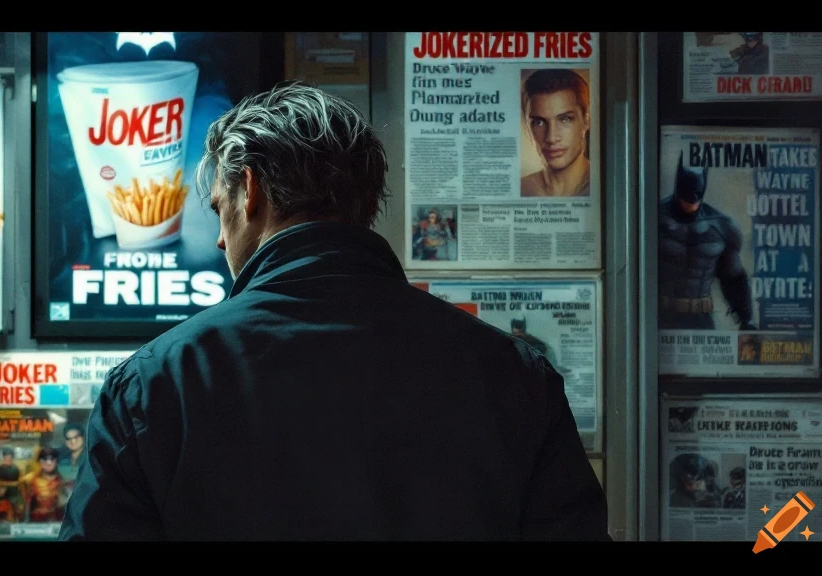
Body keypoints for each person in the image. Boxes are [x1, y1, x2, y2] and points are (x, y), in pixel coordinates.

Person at [59, 81, 608, 541]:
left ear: (249, 190)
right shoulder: (514, 375)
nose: (222, 245)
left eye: (219, 212)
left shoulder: (152, 388)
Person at [658, 153, 755, 330]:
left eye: (695, 200)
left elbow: (732, 277)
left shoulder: (721, 226)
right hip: (661, 318)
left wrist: (746, 319)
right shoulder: (654, 219)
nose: (690, 206)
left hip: (700, 320)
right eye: (686, 200)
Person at [520, 69, 591, 198]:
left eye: (565, 119)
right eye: (539, 122)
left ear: (586, 121)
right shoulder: (521, 189)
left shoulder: (605, 183)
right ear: (527, 127)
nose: (551, 138)